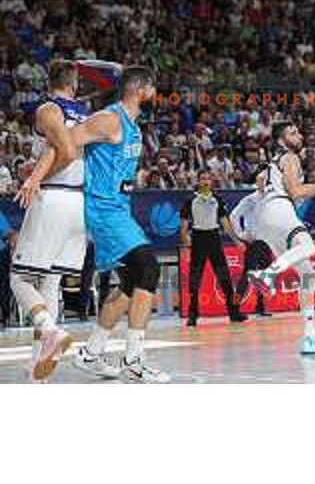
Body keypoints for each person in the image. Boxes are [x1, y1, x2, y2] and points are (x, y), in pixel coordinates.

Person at [70, 65, 169, 383]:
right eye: (153, 89)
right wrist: (39, 177)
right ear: (141, 89)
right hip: (102, 208)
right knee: (149, 268)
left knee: (129, 284)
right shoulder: (109, 119)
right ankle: (134, 361)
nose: (156, 95)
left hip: (119, 209)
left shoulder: (133, 126)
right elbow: (67, 140)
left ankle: (91, 352)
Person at [10, 59, 87, 382]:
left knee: (19, 278)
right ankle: (37, 368)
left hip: (54, 197)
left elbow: (65, 152)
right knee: (50, 282)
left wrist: (35, 180)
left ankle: (49, 331)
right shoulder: (86, 114)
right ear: (74, 84)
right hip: (79, 201)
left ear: (51, 82)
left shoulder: (48, 109)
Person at [247, 121, 315, 354]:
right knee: (309, 246)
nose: (299, 135)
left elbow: (259, 183)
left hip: (266, 218)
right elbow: (296, 192)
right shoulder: (290, 157)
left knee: (307, 273)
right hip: (279, 209)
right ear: (281, 139)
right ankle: (268, 275)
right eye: (293, 132)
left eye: (298, 131)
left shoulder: (270, 164)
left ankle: (310, 336)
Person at [180, 170, 248, 326]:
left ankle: (234, 312)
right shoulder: (189, 200)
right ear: (198, 181)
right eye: (202, 178)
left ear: (211, 182)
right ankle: (192, 315)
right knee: (194, 280)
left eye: (208, 179)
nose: (205, 182)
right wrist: (186, 246)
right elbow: (183, 226)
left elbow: (225, 223)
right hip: (198, 239)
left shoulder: (217, 200)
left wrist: (236, 241)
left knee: (225, 279)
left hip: (214, 239)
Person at [229, 184, 272, 318]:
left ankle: (260, 307)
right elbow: (234, 216)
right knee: (246, 276)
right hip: (253, 243)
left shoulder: (272, 199)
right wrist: (241, 234)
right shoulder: (250, 199)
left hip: (267, 242)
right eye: (262, 181)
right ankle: (235, 307)